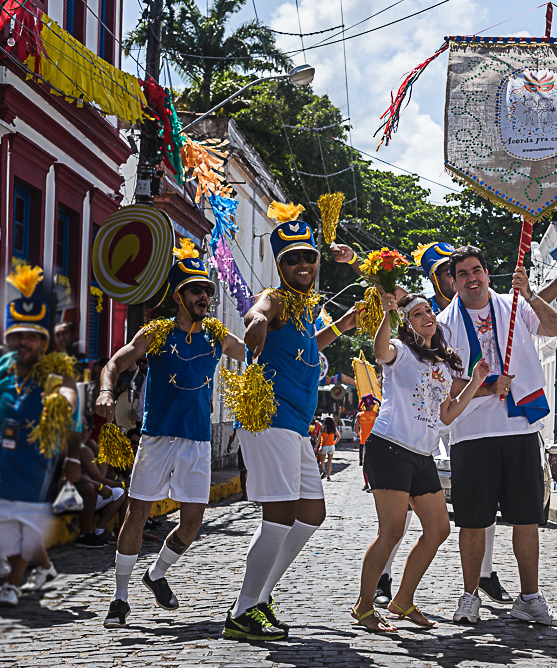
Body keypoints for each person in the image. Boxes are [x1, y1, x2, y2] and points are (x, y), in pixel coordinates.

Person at [223, 210, 358, 642]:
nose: (304, 265)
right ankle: (243, 610)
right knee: (278, 517)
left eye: (309, 257)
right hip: (269, 421)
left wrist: (343, 326)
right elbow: (258, 313)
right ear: (280, 266)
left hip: (296, 426)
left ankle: (260, 596)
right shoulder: (277, 299)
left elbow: (307, 347)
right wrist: (257, 321)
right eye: (293, 259)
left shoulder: (304, 310)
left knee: (312, 513)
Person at [96, 242, 246, 628]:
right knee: (137, 513)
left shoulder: (217, 336)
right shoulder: (157, 333)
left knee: (193, 521)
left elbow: (254, 352)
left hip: (197, 442)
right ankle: (120, 598)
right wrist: (105, 391)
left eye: (208, 291)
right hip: (158, 437)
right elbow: (116, 361)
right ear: (180, 296)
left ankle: (157, 574)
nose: (204, 296)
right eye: (196, 290)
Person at [436, 245, 557, 627]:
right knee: (473, 522)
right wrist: (488, 385)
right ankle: (469, 597)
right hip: (472, 434)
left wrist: (529, 295)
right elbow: (446, 381)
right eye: (463, 274)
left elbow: (556, 327)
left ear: (487, 273)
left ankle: (529, 598)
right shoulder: (445, 323)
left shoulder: (514, 305)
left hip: (519, 427)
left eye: (476, 270)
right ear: (453, 281)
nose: (472, 278)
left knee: (526, 519)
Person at [352, 292, 490, 632]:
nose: (426, 315)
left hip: (422, 454)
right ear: (408, 324)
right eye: (416, 313)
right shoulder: (401, 352)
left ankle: (402, 599)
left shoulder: (442, 365)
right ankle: (364, 607)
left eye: (428, 310)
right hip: (389, 448)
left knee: (439, 529)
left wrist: (473, 383)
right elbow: (380, 351)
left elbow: (445, 415)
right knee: (392, 531)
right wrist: (387, 314)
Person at [0, 265, 81, 607]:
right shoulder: (3, 370)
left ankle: (12, 585)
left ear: (43, 342)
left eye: (31, 337)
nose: (23, 343)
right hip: (4, 461)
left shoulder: (55, 374)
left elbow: (70, 401)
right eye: (18, 335)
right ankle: (33, 570)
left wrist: (74, 458)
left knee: (26, 522)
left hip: (36, 464)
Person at [320, 416, 340, 480]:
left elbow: (319, 438)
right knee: (329, 462)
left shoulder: (323, 428)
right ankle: (328, 476)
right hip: (331, 446)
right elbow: (339, 437)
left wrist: (316, 446)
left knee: (322, 461)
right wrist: (334, 442)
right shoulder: (333, 429)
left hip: (324, 446)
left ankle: (323, 471)